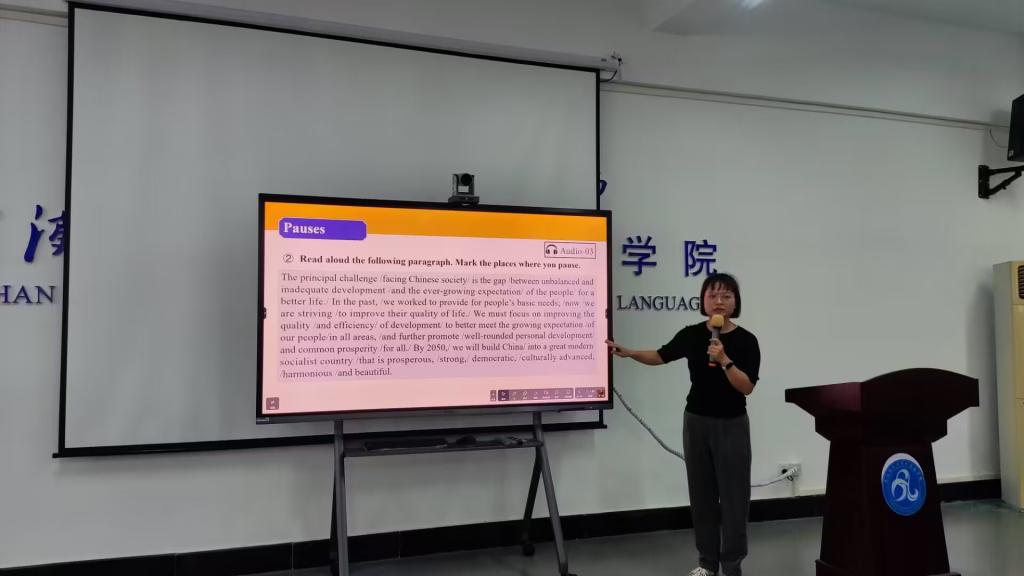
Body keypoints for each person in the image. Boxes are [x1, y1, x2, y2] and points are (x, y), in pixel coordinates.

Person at [606, 272, 760, 576]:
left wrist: (724, 359)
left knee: (734, 499)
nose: (719, 301)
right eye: (712, 295)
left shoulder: (746, 340)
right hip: (696, 422)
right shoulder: (691, 334)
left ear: (735, 303)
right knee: (701, 496)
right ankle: (707, 564)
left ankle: (732, 566)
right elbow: (660, 355)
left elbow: (747, 387)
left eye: (726, 295)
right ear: (703, 300)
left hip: (731, 424)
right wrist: (630, 353)